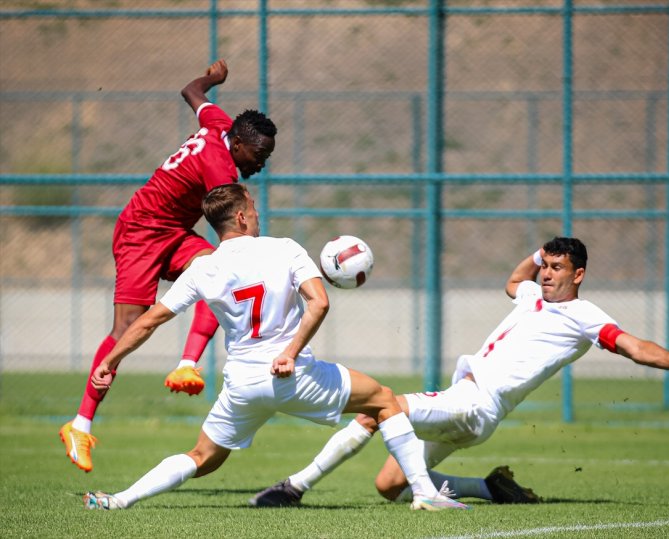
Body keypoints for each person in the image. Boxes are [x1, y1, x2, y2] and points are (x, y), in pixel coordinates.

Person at [249, 237, 669, 507]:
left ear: (579, 274)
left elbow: (633, 347)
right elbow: (515, 279)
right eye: (545, 265)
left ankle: (294, 487)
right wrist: (536, 250)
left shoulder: (586, 316)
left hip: (475, 404)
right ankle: (490, 488)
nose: (546, 274)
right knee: (389, 486)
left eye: (557, 267)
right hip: (465, 404)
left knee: (379, 406)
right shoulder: (532, 293)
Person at [82, 183, 468, 511]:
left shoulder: (203, 268)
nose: (257, 210)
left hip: (243, 385)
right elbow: (320, 302)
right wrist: (290, 352)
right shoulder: (284, 248)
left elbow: (149, 319)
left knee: (202, 457)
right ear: (240, 218)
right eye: (252, 206)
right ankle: (424, 492)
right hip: (293, 375)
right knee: (384, 400)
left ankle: (118, 500)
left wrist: (111, 361)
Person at [59, 59, 278, 473]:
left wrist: (212, 80)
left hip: (174, 232)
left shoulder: (220, 124)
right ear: (239, 144)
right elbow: (231, 226)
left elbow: (191, 93)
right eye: (260, 153)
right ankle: (80, 424)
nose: (262, 162)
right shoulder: (220, 169)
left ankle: (186, 364)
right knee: (127, 330)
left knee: (216, 271)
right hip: (141, 231)